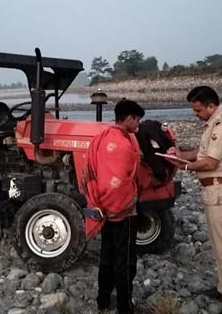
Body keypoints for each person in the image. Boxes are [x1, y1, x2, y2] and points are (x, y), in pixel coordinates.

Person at [166, 86, 222, 314]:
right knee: (219, 244)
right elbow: (203, 153)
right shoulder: (213, 123)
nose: (196, 114)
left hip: (221, 189)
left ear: (211, 105)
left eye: (198, 110)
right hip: (214, 190)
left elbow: (210, 163)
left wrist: (184, 166)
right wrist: (179, 155)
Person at [82, 99, 144, 314]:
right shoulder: (126, 145)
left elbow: (90, 172)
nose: (138, 125)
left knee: (107, 256)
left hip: (102, 208)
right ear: (129, 118)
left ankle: (103, 301)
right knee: (125, 260)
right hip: (122, 211)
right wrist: (124, 204)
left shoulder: (100, 138)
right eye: (137, 120)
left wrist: (102, 204)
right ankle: (125, 307)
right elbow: (122, 182)